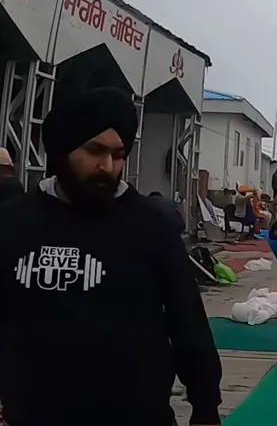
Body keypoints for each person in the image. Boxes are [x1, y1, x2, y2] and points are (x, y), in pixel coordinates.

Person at [0, 88, 222, 425]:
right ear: (61, 151)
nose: (108, 166)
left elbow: (186, 319)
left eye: (119, 154)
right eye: (94, 151)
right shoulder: (13, 223)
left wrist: (205, 406)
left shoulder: (150, 224)